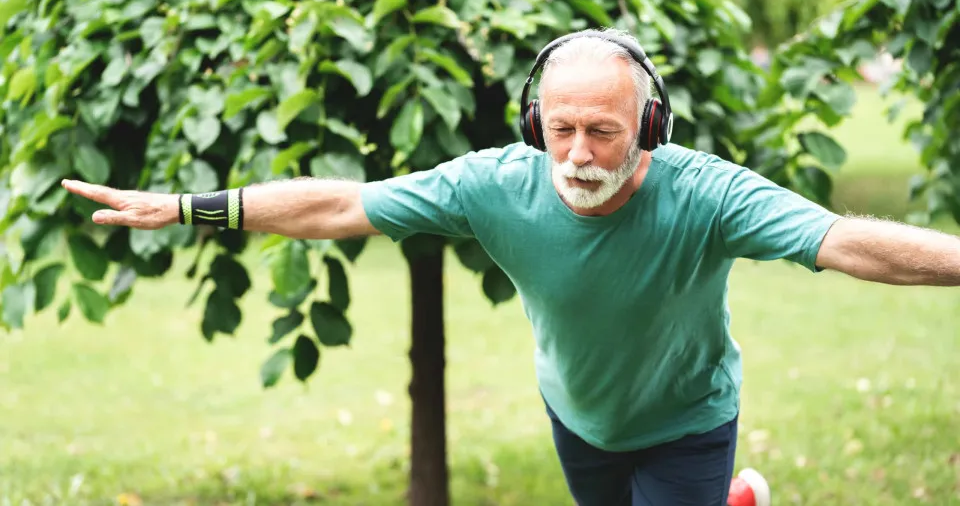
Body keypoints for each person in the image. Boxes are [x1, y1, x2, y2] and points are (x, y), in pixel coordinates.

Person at [60, 28, 960, 506]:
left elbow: (847, 242)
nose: (575, 153)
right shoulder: (492, 184)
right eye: (558, 128)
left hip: (688, 420)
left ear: (648, 127)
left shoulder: (707, 195)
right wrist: (187, 208)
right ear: (534, 124)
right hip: (576, 416)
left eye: (602, 130)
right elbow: (341, 204)